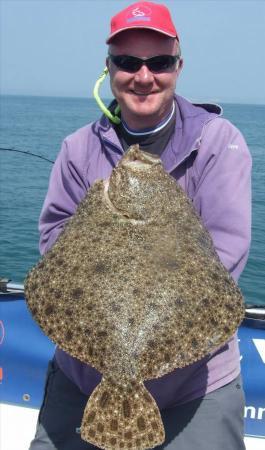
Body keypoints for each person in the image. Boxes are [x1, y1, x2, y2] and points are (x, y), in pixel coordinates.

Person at [29, 2, 251, 450]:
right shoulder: (77, 148)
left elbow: (227, 255)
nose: (144, 75)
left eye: (160, 62)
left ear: (178, 66)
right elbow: (53, 244)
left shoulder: (219, 142)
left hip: (195, 383)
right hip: (83, 375)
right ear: (109, 68)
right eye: (128, 62)